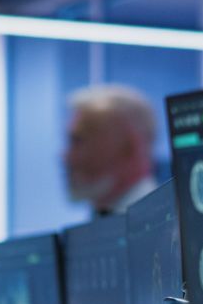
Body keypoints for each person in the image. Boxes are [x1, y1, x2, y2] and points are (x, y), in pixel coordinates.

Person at [64, 83, 160, 217]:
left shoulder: (166, 226)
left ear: (130, 147)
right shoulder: (105, 219)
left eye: (79, 141)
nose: (67, 156)